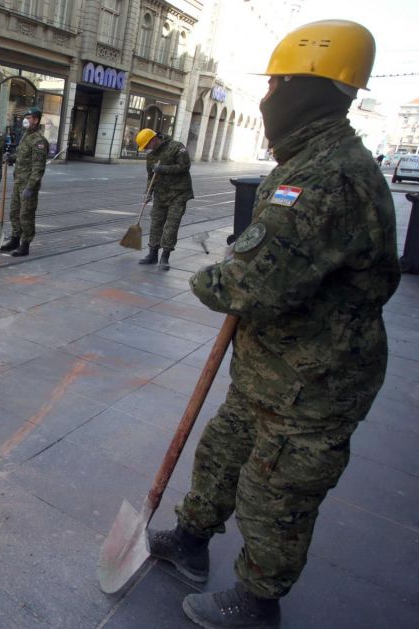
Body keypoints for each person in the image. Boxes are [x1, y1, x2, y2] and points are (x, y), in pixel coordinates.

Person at [147, 20, 400, 629]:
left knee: (277, 494)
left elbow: (250, 284)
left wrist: (209, 276)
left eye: (276, 84)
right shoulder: (311, 158)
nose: (266, 99)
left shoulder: (324, 176)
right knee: (222, 453)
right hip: (271, 367)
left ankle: (257, 602)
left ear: (306, 87)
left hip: (313, 384)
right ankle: (190, 539)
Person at [136, 127, 194, 271]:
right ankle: (153, 254)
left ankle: (165, 257)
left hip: (178, 193)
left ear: (154, 139)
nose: (147, 149)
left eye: (147, 145)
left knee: (171, 225)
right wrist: (148, 192)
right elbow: (151, 175)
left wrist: (162, 169)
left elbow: (184, 166)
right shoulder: (151, 156)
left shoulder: (177, 147)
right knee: (156, 222)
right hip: (161, 194)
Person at [0, 106, 49, 257]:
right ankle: (15, 240)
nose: (26, 120)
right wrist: (10, 156)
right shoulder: (26, 136)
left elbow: (39, 167)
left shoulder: (39, 141)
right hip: (18, 182)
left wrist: (31, 187)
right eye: (25, 118)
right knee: (14, 213)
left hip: (28, 185)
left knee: (26, 215)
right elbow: (22, 157)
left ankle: (25, 244)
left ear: (36, 120)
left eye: (29, 118)